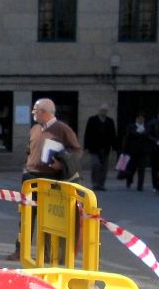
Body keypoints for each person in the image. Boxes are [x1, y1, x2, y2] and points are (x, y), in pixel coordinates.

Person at [6, 98, 82, 261]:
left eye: (36, 109)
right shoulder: (35, 129)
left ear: (45, 112)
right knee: (25, 217)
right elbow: (29, 149)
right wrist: (26, 165)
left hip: (49, 178)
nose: (33, 112)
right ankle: (20, 250)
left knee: (47, 219)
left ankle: (47, 255)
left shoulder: (62, 129)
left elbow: (76, 151)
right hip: (30, 177)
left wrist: (62, 165)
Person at [83, 103, 118, 191]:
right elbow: (87, 133)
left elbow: (113, 135)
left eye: (105, 111)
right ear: (99, 110)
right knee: (96, 164)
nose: (104, 112)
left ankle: (101, 184)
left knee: (104, 167)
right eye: (102, 110)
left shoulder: (110, 121)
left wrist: (114, 147)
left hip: (105, 147)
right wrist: (86, 147)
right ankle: (95, 183)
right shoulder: (92, 120)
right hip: (94, 147)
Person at [121, 113, 150, 192]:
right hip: (132, 152)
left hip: (142, 152)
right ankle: (129, 181)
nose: (141, 120)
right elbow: (128, 138)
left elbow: (149, 137)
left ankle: (140, 186)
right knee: (131, 168)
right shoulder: (131, 127)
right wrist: (124, 150)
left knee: (141, 169)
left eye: (142, 118)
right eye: (139, 118)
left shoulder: (147, 127)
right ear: (136, 119)